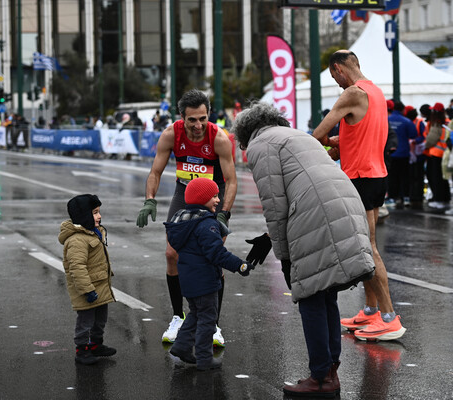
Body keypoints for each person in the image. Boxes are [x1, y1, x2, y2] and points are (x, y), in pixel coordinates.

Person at [232, 101, 375, 397]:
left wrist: (283, 256)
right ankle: (330, 371)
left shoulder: (260, 146)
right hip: (346, 203)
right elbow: (301, 183)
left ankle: (320, 377)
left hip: (317, 214)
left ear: (246, 135)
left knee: (309, 294)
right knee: (327, 293)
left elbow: (275, 203)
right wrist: (269, 237)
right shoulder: (298, 136)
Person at [311, 50, 407, 341]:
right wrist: (343, 141)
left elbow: (317, 134)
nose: (337, 84)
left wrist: (328, 140)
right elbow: (363, 132)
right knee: (364, 246)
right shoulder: (375, 91)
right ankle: (370, 310)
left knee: (368, 249)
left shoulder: (352, 93)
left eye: (333, 77)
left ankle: (389, 317)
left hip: (361, 178)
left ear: (340, 69)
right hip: (376, 175)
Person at [136, 89, 237, 346]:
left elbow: (231, 180)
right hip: (185, 193)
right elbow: (155, 171)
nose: (198, 125)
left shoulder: (219, 138)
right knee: (172, 254)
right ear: (182, 117)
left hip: (213, 193)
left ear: (209, 115)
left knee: (212, 257)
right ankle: (178, 316)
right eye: (192, 120)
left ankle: (213, 324)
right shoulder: (171, 134)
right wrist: (149, 199)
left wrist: (224, 214)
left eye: (203, 118)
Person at [164, 178, 252, 371]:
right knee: (208, 319)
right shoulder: (206, 225)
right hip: (204, 281)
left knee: (196, 314)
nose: (218, 199)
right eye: (214, 196)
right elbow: (217, 253)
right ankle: (204, 358)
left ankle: (181, 346)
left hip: (188, 280)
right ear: (201, 198)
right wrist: (240, 266)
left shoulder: (183, 221)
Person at [58, 194, 117, 365]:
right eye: (95, 212)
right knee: (85, 322)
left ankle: (95, 345)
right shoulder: (77, 240)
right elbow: (77, 267)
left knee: (100, 319)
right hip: (87, 289)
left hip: (100, 286)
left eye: (99, 212)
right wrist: (87, 290)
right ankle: (82, 350)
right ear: (84, 215)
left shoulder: (94, 232)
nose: (99, 216)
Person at [388, 101, 418, 209]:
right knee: (405, 176)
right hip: (404, 153)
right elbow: (413, 134)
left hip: (390, 153)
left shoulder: (387, 120)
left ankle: (392, 198)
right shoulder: (407, 121)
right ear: (403, 110)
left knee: (392, 176)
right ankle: (405, 198)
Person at [424, 102, 451, 210]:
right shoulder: (448, 122)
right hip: (445, 153)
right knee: (444, 178)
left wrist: (425, 145)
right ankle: (445, 199)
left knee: (436, 178)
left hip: (436, 154)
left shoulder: (436, 123)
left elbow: (431, 140)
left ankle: (439, 200)